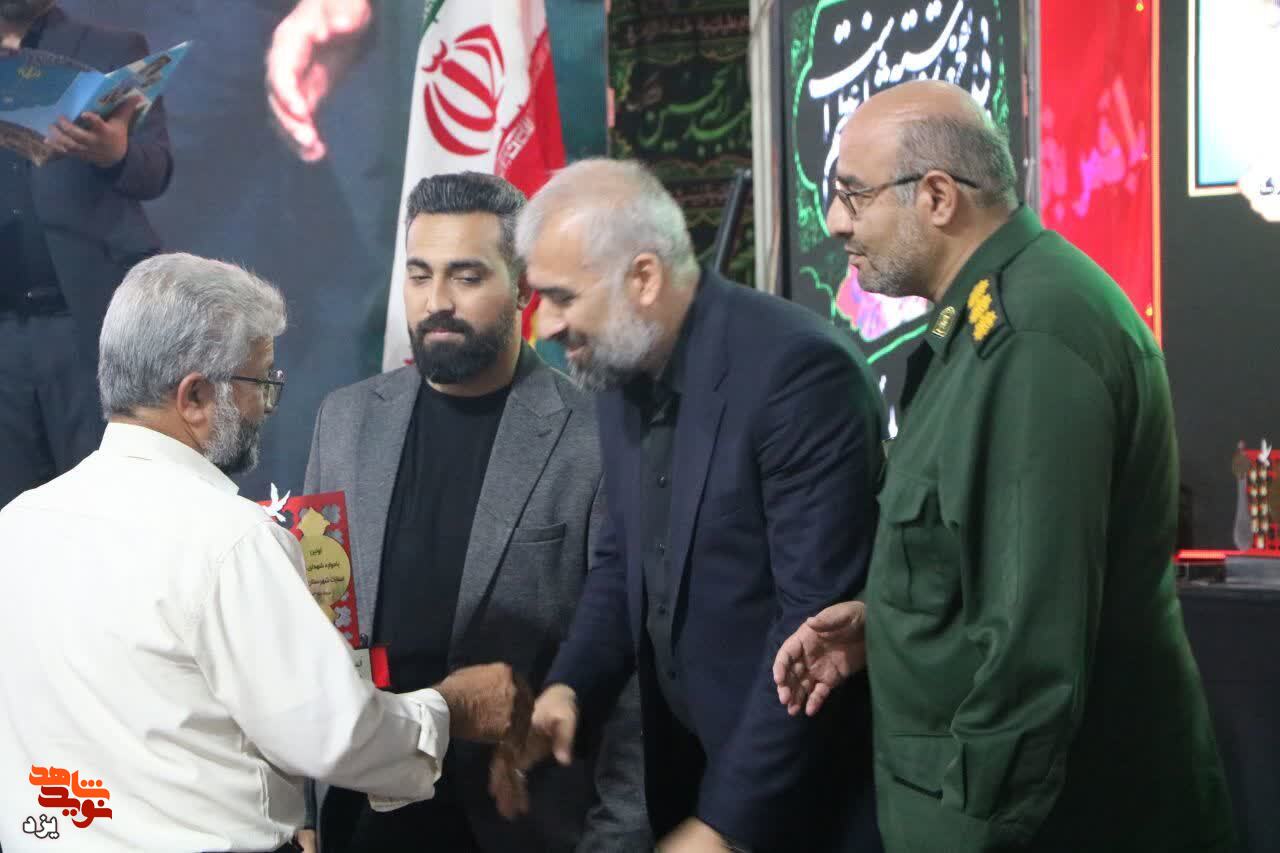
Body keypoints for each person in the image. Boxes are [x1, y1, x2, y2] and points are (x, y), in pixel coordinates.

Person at [772, 80, 1235, 852]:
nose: (837, 221)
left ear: (938, 197)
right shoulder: (991, 320)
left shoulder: (1031, 340)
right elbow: (984, 566)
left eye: (853, 193)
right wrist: (889, 625)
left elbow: (1031, 659)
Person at [0, 254, 533, 853]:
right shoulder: (230, 541)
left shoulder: (17, 525)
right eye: (261, 384)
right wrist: (451, 710)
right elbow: (334, 734)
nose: (267, 409)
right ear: (196, 396)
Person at [503, 159, 884, 852]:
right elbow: (623, 561)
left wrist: (723, 826)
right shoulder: (620, 363)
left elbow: (810, 629)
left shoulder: (798, 375)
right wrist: (569, 688)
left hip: (806, 807)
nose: (545, 323)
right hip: (699, 784)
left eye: (560, 297)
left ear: (643, 279)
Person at [300, 172, 650, 852]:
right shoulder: (343, 422)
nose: (437, 302)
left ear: (523, 287)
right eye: (419, 275)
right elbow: (317, 621)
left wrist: (619, 839)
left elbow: (631, 674)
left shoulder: (597, 437)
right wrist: (305, 811)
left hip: (519, 820)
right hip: (357, 812)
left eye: (466, 277)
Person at [0, 0, 172, 509]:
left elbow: (155, 169)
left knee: (104, 507)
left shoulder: (111, 50)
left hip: (84, 327)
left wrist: (115, 153)